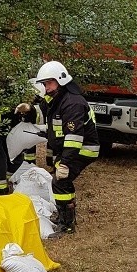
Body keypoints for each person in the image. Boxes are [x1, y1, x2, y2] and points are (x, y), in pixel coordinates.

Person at [34, 60, 100, 233]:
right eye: (44, 84)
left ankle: (67, 225)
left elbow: (74, 137)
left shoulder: (72, 103)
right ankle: (65, 216)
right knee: (62, 181)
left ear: (60, 80)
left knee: (60, 181)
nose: (46, 88)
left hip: (82, 149)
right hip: (69, 149)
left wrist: (65, 163)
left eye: (49, 83)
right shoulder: (58, 100)